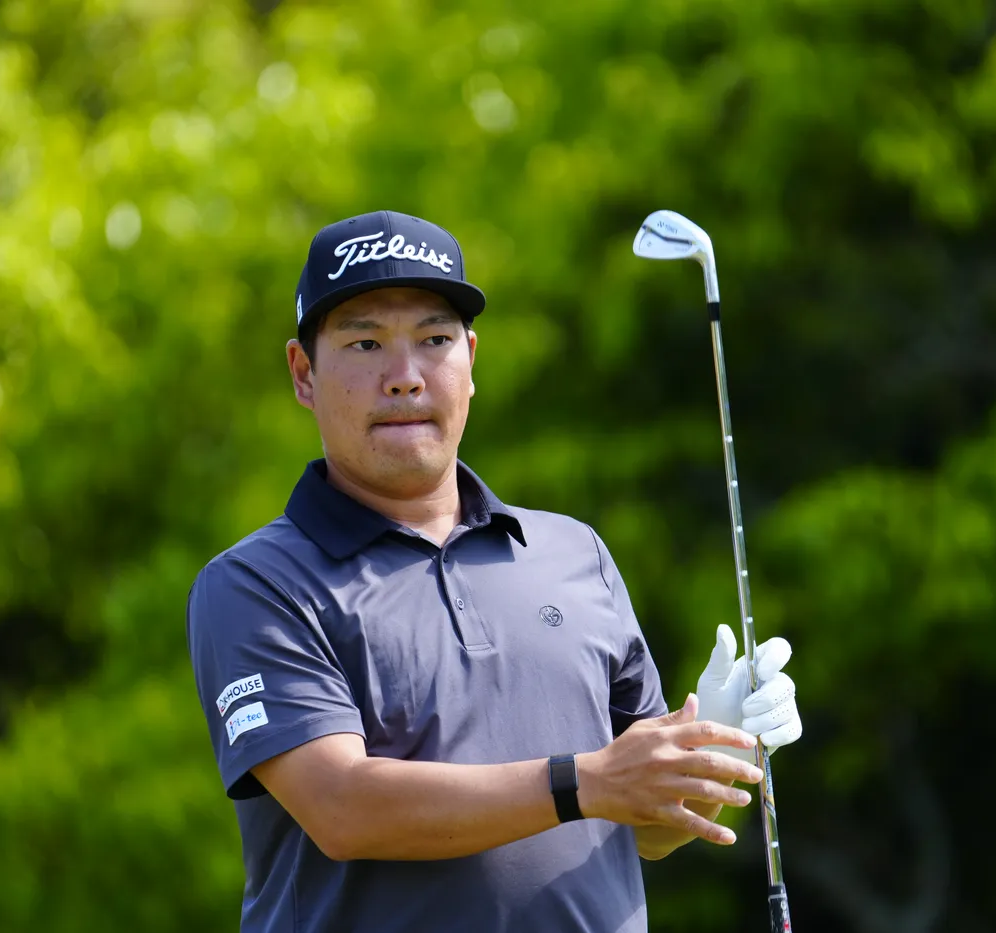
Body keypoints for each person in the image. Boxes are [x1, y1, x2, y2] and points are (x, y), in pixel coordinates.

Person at [186, 210, 803, 933]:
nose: (405, 378)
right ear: (303, 373)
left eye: (435, 340)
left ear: (470, 360)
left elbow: (649, 827)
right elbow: (341, 807)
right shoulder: (257, 583)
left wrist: (711, 747)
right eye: (364, 343)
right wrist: (587, 780)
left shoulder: (575, 553)